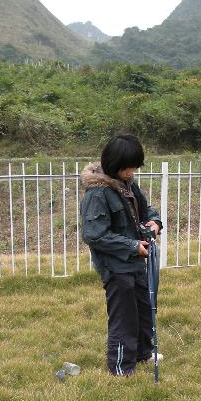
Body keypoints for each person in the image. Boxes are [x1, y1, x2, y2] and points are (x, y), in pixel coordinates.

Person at [81, 134, 164, 377]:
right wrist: (131, 246)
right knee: (124, 315)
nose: (134, 171)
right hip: (116, 266)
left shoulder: (128, 184)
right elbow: (94, 235)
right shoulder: (97, 194)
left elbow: (146, 209)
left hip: (136, 261)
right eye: (130, 166)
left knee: (144, 307)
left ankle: (143, 353)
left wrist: (154, 222)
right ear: (115, 164)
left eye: (136, 166)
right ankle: (121, 367)